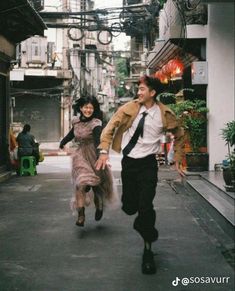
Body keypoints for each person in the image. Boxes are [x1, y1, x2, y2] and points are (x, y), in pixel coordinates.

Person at [95, 75, 185, 275]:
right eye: (139, 89)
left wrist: (177, 161)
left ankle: (148, 252)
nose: (138, 92)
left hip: (148, 165)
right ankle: (142, 222)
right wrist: (103, 151)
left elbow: (179, 135)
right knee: (129, 208)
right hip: (129, 164)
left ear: (152, 93)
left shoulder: (165, 114)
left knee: (146, 206)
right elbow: (109, 128)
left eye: (142, 89)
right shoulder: (128, 109)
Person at [59, 96, 115, 227]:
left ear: (93, 109)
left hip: (94, 155)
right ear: (80, 108)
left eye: (91, 107)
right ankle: (81, 215)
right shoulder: (76, 121)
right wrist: (63, 142)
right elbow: (72, 134)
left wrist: (101, 155)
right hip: (80, 155)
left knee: (96, 186)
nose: (88, 110)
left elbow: (97, 140)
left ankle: (99, 205)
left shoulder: (96, 123)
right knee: (80, 184)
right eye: (86, 107)